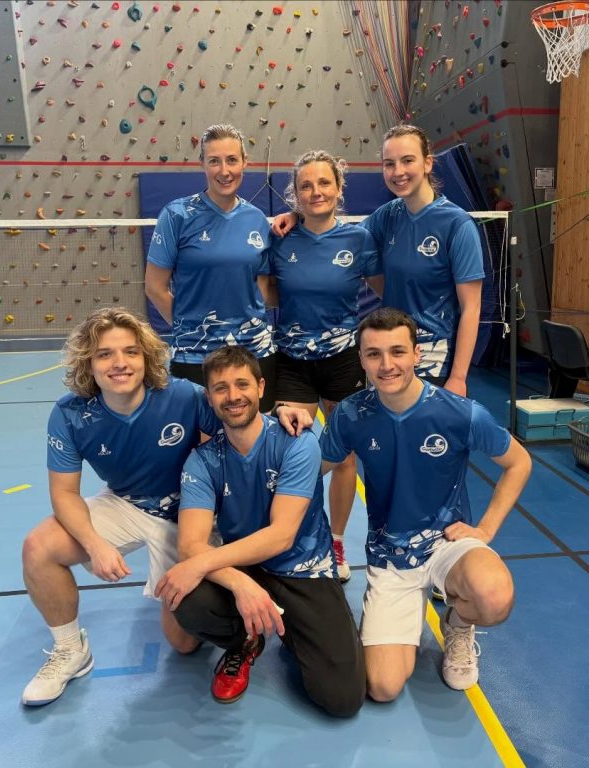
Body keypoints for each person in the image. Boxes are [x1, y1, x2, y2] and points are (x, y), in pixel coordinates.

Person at [20, 307, 311, 707]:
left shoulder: (182, 396)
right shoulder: (70, 414)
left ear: (146, 357)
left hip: (191, 512)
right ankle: (71, 650)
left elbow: (240, 414)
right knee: (38, 547)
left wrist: (281, 411)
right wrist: (94, 544)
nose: (120, 363)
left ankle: (243, 628)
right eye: (105, 354)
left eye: (130, 352)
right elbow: (65, 493)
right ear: (88, 362)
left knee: (184, 643)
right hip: (126, 503)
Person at [319, 307, 531, 702]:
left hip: (447, 543)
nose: (387, 365)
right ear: (361, 359)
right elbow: (313, 468)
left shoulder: (459, 413)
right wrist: (280, 430)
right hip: (390, 556)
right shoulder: (350, 414)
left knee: (494, 598)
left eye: (397, 352)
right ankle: (401, 617)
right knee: (382, 687)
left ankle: (458, 621)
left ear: (417, 354)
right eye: (374, 354)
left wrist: (485, 530)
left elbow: (518, 463)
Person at [156, 346, 366, 717]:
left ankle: (293, 629)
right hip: (245, 565)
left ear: (261, 388)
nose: (233, 396)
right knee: (188, 601)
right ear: (210, 398)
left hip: (303, 569)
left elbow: (281, 536)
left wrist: (200, 563)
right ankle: (244, 640)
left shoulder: (297, 442)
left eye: (242, 384)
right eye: (221, 388)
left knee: (341, 700)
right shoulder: (202, 460)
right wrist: (240, 583)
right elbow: (190, 543)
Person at [273, 124, 484, 397]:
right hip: (390, 351)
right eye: (389, 164)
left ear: (428, 163)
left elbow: (471, 308)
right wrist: (298, 215)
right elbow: (335, 234)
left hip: (434, 356)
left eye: (407, 160)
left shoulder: (457, 224)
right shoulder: (388, 215)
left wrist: (458, 377)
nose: (398, 171)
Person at [267, 149, 383, 583]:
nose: (316, 192)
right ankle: (294, 535)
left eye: (324, 183)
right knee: (293, 452)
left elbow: (387, 290)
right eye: (306, 186)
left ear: (339, 188)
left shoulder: (359, 239)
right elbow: (266, 290)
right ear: (295, 194)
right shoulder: (280, 237)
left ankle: (335, 541)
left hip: (342, 362)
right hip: (292, 362)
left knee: (344, 455)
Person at [145, 123, 278, 411]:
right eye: (214, 161)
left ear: (244, 162)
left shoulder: (256, 219)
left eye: (232, 160)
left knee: (256, 433)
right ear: (202, 164)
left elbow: (261, 290)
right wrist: (188, 329)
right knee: (197, 433)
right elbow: (155, 287)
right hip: (195, 354)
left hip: (253, 352)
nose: (224, 170)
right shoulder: (177, 215)